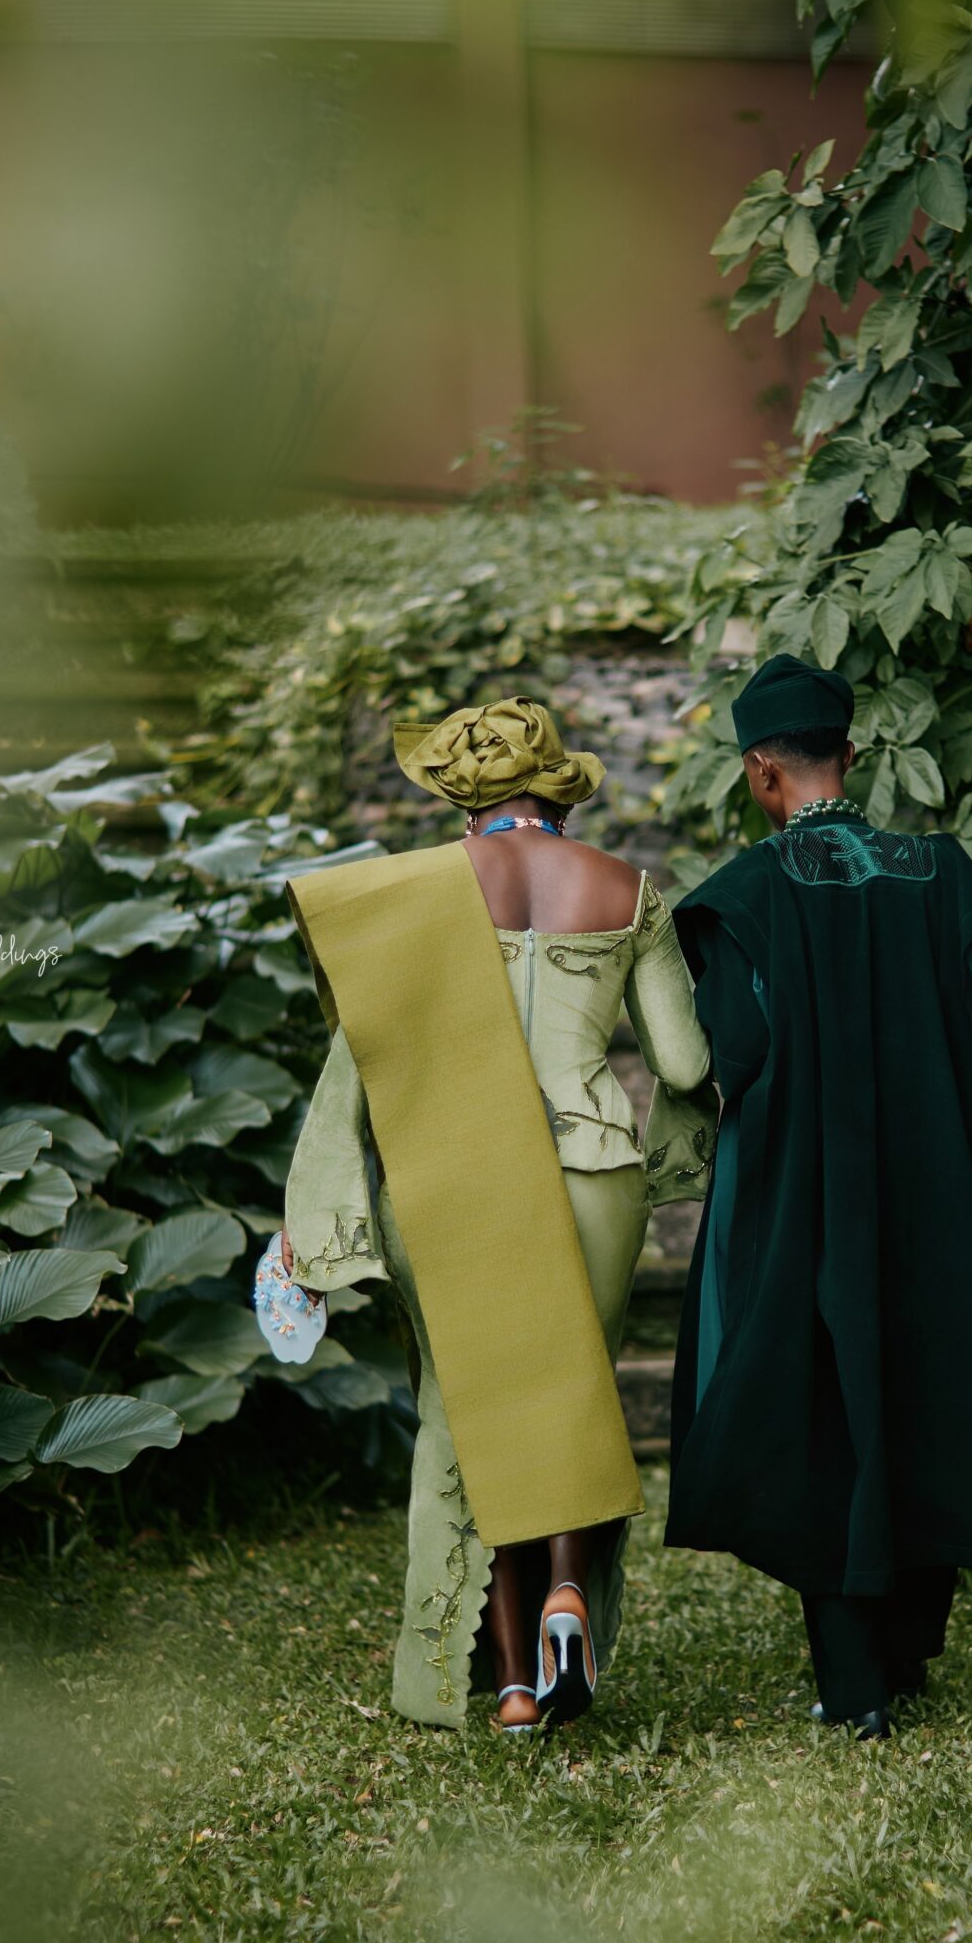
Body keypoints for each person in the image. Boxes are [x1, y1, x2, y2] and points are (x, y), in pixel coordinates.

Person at [667, 653, 972, 1739]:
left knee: (817, 1405)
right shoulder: (939, 871)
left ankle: (854, 1682)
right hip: (939, 1190)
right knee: (927, 1382)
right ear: (848, 756)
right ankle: (905, 1653)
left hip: (807, 1197)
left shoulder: (744, 895)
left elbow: (735, 1058)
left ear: (761, 771)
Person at [279, 697, 714, 1733]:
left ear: (457, 796)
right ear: (556, 787)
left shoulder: (415, 894)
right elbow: (683, 1062)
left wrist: (318, 1216)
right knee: (573, 1395)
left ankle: (511, 1685)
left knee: (473, 1414)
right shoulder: (627, 888)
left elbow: (357, 1068)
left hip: (454, 1178)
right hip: (596, 1168)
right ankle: (569, 1587)